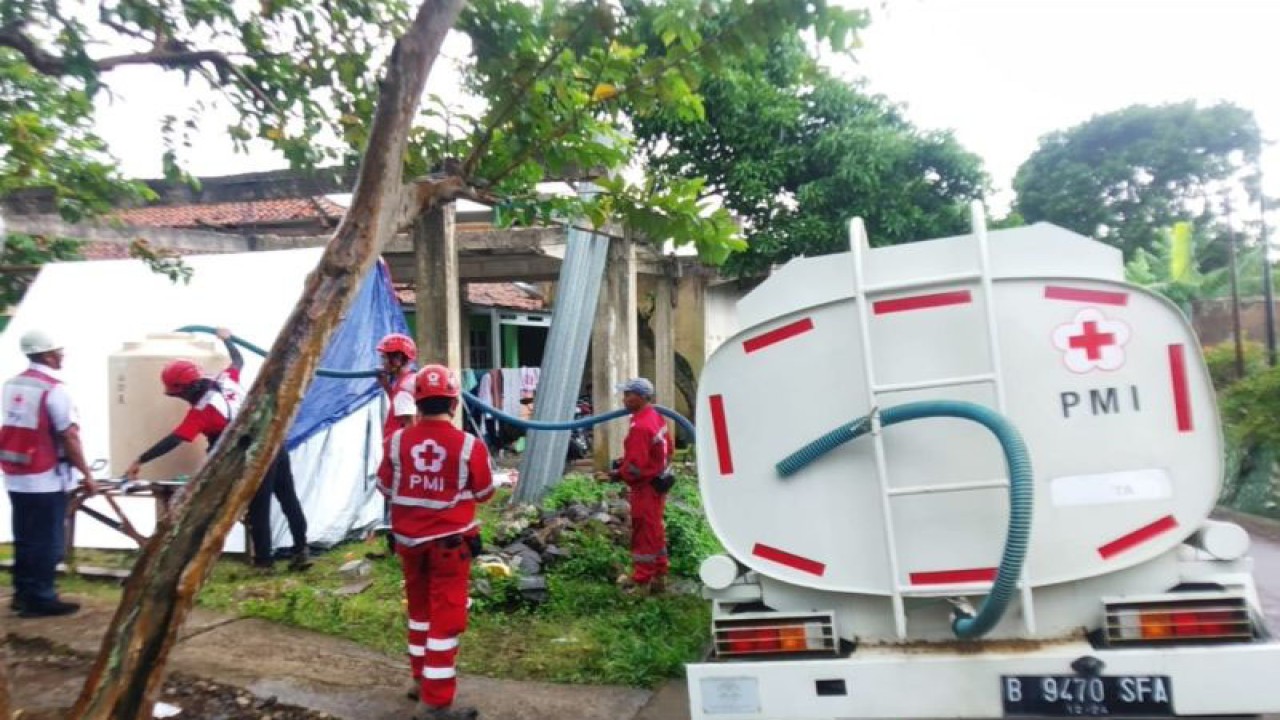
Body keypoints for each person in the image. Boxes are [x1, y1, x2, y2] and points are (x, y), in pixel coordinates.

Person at [124, 327, 310, 571]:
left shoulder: (202, 412)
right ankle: (301, 550)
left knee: (258, 509)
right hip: (274, 444)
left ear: (186, 389)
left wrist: (140, 459)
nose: (178, 398)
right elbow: (239, 360)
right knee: (288, 499)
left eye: (177, 394)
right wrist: (228, 340)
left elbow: (174, 439)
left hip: (253, 455)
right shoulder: (226, 380)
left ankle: (264, 562)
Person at [377, 364, 494, 720]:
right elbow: (485, 492)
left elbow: (383, 487)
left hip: (409, 544)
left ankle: (419, 681)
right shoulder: (469, 445)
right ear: (454, 403)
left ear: (417, 402)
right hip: (448, 547)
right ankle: (436, 702)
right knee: (446, 621)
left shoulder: (396, 441)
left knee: (419, 613)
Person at [1, 329, 97, 617]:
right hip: (45, 475)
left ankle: (23, 592)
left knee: (25, 537)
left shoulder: (11, 385)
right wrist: (87, 474)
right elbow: (68, 435)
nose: (62, 355)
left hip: (16, 472)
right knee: (47, 540)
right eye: (58, 351)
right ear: (47, 354)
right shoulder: (54, 389)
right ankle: (41, 598)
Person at [608, 378, 674, 596]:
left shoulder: (640, 426)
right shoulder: (656, 417)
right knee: (655, 529)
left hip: (646, 487)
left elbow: (635, 467)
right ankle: (659, 574)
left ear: (642, 397)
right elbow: (669, 448)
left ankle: (641, 580)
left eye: (628, 395)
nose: (624, 399)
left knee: (644, 531)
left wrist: (617, 474)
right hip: (659, 482)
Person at [373, 332, 418, 556]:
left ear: (398, 359)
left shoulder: (404, 388)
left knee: (400, 500)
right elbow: (400, 410)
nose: (383, 362)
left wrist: (404, 458)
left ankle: (402, 544)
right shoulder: (405, 384)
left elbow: (408, 424)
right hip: (401, 451)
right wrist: (386, 387)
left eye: (386, 357)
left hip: (401, 453)